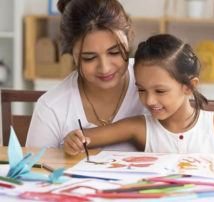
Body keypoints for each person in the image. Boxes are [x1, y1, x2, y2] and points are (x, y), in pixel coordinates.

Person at [63, 34, 214, 155]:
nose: (149, 100)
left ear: (189, 86)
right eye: (141, 90)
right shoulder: (140, 127)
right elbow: (84, 138)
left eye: (160, 91)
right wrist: (73, 141)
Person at [26, 0, 145, 151]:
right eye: (89, 58)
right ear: (72, 55)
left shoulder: (157, 80)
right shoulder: (52, 106)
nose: (104, 68)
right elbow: (33, 169)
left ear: (128, 39)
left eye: (114, 52)